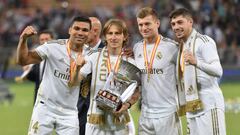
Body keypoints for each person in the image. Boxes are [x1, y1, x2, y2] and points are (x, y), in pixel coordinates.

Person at [16, 16, 91, 135]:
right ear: (70, 30)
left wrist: (77, 68)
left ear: (89, 33)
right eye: (77, 28)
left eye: (85, 30)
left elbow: (73, 83)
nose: (80, 33)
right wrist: (23, 39)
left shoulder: (90, 55)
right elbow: (23, 60)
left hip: (69, 112)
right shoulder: (53, 46)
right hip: (45, 108)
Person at [74, 19, 140, 135]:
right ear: (105, 36)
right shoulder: (93, 57)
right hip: (96, 122)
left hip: (120, 123)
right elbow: (75, 82)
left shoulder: (130, 61)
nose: (113, 37)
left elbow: (136, 92)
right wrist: (77, 68)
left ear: (124, 37)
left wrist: (127, 105)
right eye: (110, 33)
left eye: (117, 33)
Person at [169, 8, 226, 135]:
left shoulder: (204, 41)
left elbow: (218, 70)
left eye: (180, 22)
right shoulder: (181, 48)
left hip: (209, 106)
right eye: (173, 24)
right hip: (192, 107)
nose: (176, 27)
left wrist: (197, 62)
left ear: (190, 22)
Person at [133, 7, 181, 135]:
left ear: (157, 23)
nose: (144, 28)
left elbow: (184, 75)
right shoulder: (136, 48)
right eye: (140, 25)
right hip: (145, 114)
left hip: (167, 113)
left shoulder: (172, 48)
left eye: (147, 23)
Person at [77, 16, 104, 135]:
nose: (81, 33)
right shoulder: (79, 50)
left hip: (98, 110)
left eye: (86, 30)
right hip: (76, 108)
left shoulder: (107, 51)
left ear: (96, 31)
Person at [15, 30, 54, 104]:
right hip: (39, 99)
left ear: (53, 40)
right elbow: (36, 78)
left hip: (54, 99)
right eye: (42, 40)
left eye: (47, 39)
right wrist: (27, 73)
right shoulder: (37, 58)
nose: (44, 42)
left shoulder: (59, 57)